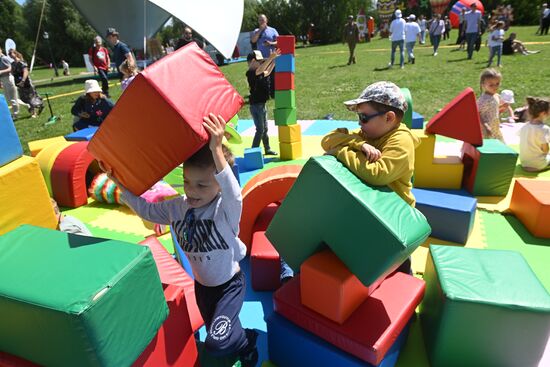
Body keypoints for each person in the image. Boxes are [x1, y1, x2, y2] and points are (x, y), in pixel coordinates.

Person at [110, 114, 258, 366]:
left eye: (202, 186)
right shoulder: (177, 208)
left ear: (219, 186)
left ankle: (246, 342)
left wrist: (216, 149)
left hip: (228, 286)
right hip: (202, 287)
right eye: (187, 182)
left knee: (215, 342)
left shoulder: (225, 209)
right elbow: (147, 210)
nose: (191, 190)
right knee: (217, 328)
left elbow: (234, 192)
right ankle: (242, 338)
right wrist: (121, 185)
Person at [321, 81, 420, 207]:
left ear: (389, 118)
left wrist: (338, 151)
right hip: (375, 207)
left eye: (364, 117)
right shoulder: (367, 134)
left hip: (397, 214)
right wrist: (359, 144)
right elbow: (328, 140)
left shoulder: (402, 141)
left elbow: (378, 174)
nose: (359, 123)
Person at [246, 51, 277, 156]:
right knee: (260, 129)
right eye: (259, 61)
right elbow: (261, 69)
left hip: (262, 105)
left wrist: (273, 61)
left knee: (265, 129)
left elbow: (267, 72)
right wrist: (270, 58)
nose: (261, 63)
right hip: (256, 106)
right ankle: (253, 151)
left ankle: (267, 148)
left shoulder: (258, 72)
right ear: (253, 61)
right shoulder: (251, 72)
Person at [8, 50, 43, 118]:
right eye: (8, 54)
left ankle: (34, 112)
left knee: (30, 98)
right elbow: (12, 72)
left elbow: (25, 71)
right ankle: (39, 104)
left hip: (26, 82)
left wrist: (23, 81)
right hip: (18, 83)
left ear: (15, 53)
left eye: (10, 53)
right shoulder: (12, 64)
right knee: (23, 99)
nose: (9, 55)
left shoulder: (22, 62)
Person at [518, 97, 550, 172]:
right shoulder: (544, 129)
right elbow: (545, 150)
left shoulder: (524, 126)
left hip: (524, 163)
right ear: (543, 113)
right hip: (538, 165)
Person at [477, 68, 504, 141]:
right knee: (489, 147)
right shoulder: (484, 99)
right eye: (491, 85)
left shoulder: (496, 95)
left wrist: (501, 108)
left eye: (497, 84)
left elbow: (491, 108)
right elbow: (476, 113)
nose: (495, 87)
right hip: (486, 128)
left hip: (495, 126)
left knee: (500, 146)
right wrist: (485, 126)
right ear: (483, 85)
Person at [0, 46, 19, 118]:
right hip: (3, 79)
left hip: (9, 78)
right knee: (9, 99)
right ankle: (28, 106)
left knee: (13, 99)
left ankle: (15, 114)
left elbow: (10, 68)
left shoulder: (4, 58)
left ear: (1, 50)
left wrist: (1, 71)